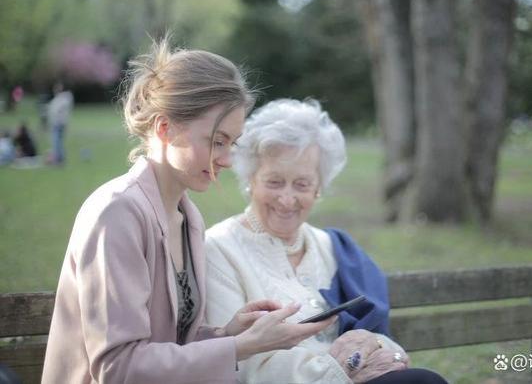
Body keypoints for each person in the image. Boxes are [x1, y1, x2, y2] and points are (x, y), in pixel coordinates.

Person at [42, 40, 335, 384]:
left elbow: (170, 343)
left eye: (232, 143)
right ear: (165, 129)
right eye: (216, 141)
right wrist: (238, 347)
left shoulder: (187, 217)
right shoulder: (116, 213)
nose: (226, 160)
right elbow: (118, 368)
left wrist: (228, 333)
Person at [205, 99, 447, 384]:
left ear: (319, 188)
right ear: (250, 180)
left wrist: (378, 348)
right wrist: (340, 369)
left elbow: (384, 343)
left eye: (302, 184)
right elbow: (239, 364)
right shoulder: (219, 248)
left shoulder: (333, 248)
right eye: (273, 182)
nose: (287, 198)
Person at [47, 81, 73, 164]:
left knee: (56, 142)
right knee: (58, 142)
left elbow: (57, 111)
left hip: (58, 123)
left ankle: (58, 159)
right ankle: (60, 158)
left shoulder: (62, 99)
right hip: (59, 123)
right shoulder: (61, 99)